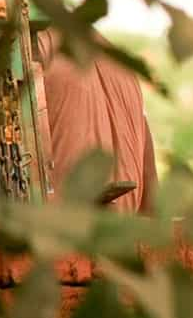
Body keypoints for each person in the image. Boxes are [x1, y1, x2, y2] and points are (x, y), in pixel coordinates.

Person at [35, 27, 158, 214]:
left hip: (58, 228)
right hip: (120, 230)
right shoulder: (123, 67)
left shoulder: (35, 51)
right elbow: (151, 191)